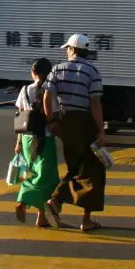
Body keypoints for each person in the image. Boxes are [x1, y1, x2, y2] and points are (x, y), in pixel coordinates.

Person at [43, 33, 106, 232]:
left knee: (73, 166)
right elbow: (95, 103)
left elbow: (47, 95)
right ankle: (85, 220)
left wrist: (51, 119)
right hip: (85, 122)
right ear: (85, 51)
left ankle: (55, 201)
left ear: (71, 49)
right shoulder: (92, 71)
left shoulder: (57, 69)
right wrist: (101, 129)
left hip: (65, 121)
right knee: (93, 171)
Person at [13, 57, 59, 228]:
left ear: (33, 73)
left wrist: (18, 142)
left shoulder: (25, 90)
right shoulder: (51, 92)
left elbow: (20, 118)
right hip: (45, 138)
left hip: (27, 138)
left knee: (31, 173)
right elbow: (53, 115)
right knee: (48, 178)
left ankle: (35, 210)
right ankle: (29, 205)